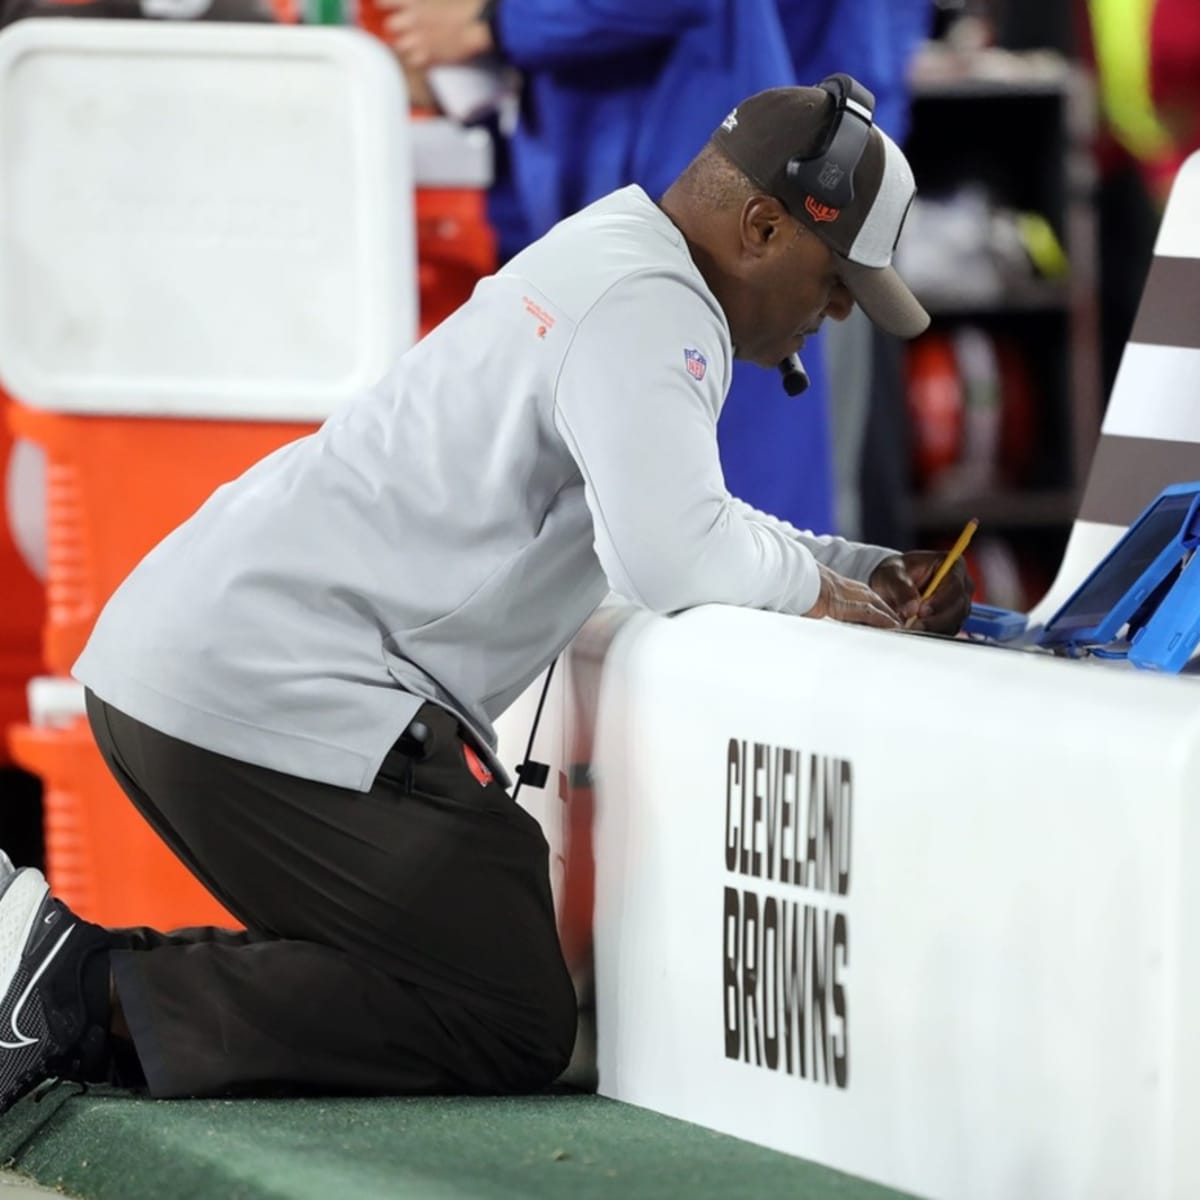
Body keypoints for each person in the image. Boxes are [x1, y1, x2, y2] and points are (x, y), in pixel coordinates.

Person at [0, 80, 970, 1109]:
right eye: (836, 282)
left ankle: (57, 986)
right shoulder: (652, 308)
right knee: (505, 1011)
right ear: (763, 225)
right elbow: (675, 554)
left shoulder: (619, 264)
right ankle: (76, 989)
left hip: (201, 673)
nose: (834, 313)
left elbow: (677, 514)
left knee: (448, 968)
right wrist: (822, 591)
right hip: (263, 693)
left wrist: (848, 570)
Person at [379, 0, 840, 532]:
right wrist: (455, 74)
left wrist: (493, 22)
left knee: (727, 503)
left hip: (705, 190)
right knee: (611, 512)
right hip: (592, 176)